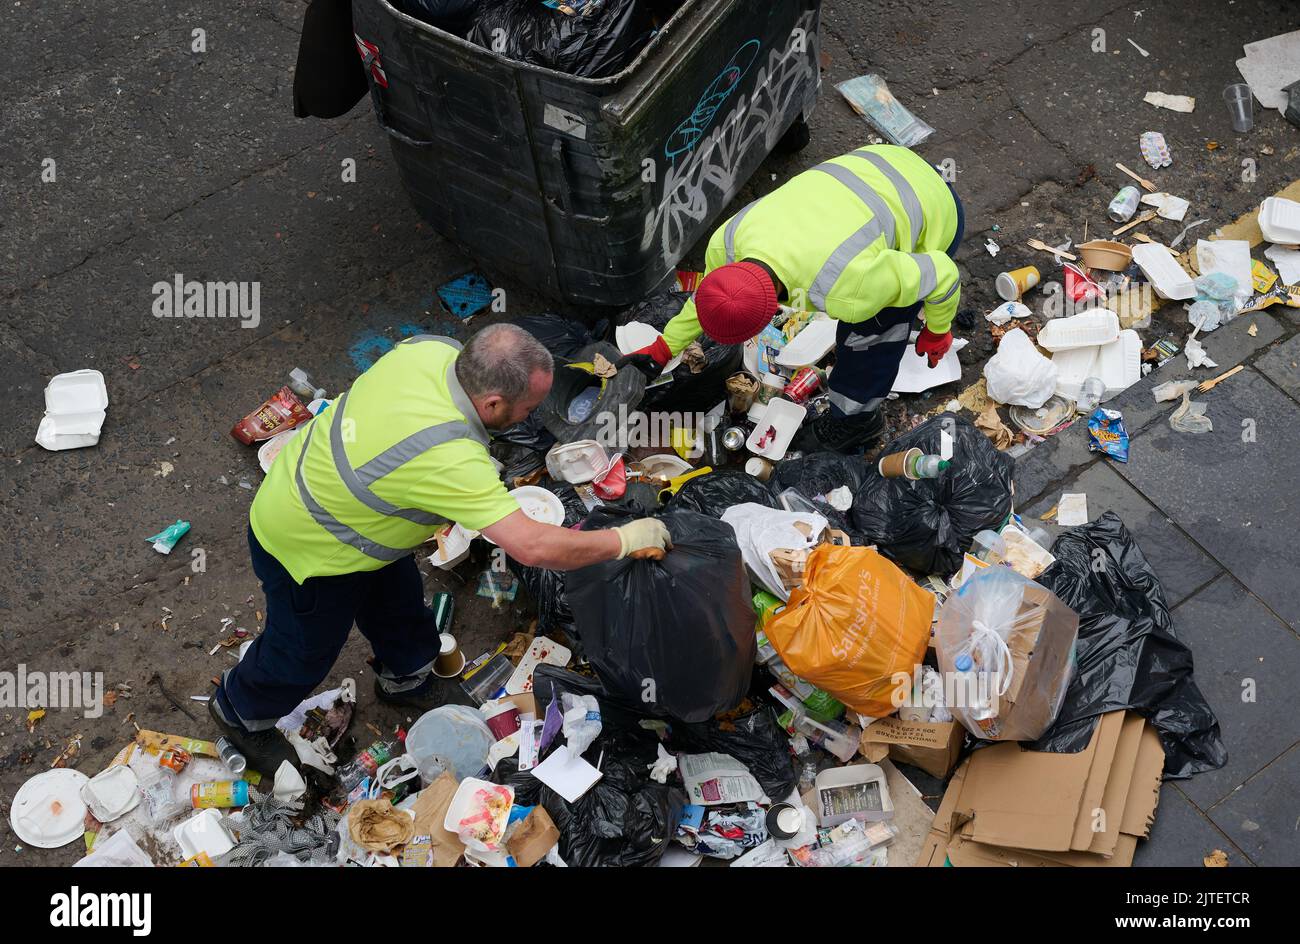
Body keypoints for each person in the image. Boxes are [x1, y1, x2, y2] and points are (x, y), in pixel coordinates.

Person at [210, 324, 671, 773]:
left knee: (400, 604)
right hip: (307, 546)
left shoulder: (432, 351)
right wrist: (625, 539)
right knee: (303, 650)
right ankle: (240, 712)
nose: (532, 416)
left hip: (343, 510)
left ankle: (407, 677)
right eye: (527, 408)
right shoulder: (449, 455)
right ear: (492, 402)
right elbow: (531, 545)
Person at [621, 144, 965, 453]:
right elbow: (714, 296)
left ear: (773, 313)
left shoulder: (851, 285)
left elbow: (942, 273)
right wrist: (663, 349)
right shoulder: (728, 241)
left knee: (871, 333)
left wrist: (938, 329)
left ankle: (855, 423)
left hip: (934, 208)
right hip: (880, 162)